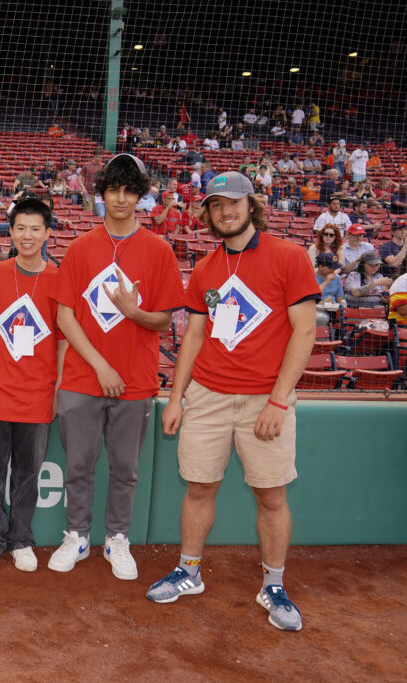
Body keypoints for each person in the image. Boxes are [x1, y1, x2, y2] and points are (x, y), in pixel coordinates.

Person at [148, 172, 318, 633]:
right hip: (208, 395)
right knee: (200, 486)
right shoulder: (205, 268)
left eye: (235, 203)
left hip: (266, 397)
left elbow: (305, 331)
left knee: (271, 493)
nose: (227, 211)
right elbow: (194, 337)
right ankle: (189, 571)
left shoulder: (289, 256)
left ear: (251, 206)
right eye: (217, 204)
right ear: (207, 213)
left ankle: (275, 584)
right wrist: (176, 397)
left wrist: (278, 402)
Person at [50, 154, 185, 580]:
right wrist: (100, 366)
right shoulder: (80, 247)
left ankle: (118, 538)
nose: (121, 199)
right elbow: (65, 316)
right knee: (78, 466)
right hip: (82, 378)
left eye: (129, 191)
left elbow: (164, 319)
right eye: (113, 190)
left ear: (140, 196)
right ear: (102, 193)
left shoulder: (158, 250)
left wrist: (134, 311)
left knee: (125, 468)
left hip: (137, 380)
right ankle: (77, 535)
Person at [0, 198, 65, 573]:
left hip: (38, 395)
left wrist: (58, 387)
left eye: (35, 229)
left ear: (47, 233)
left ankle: (22, 538)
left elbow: (62, 339)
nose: (27, 236)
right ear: (10, 232)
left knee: (28, 474)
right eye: (20, 228)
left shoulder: (59, 279)